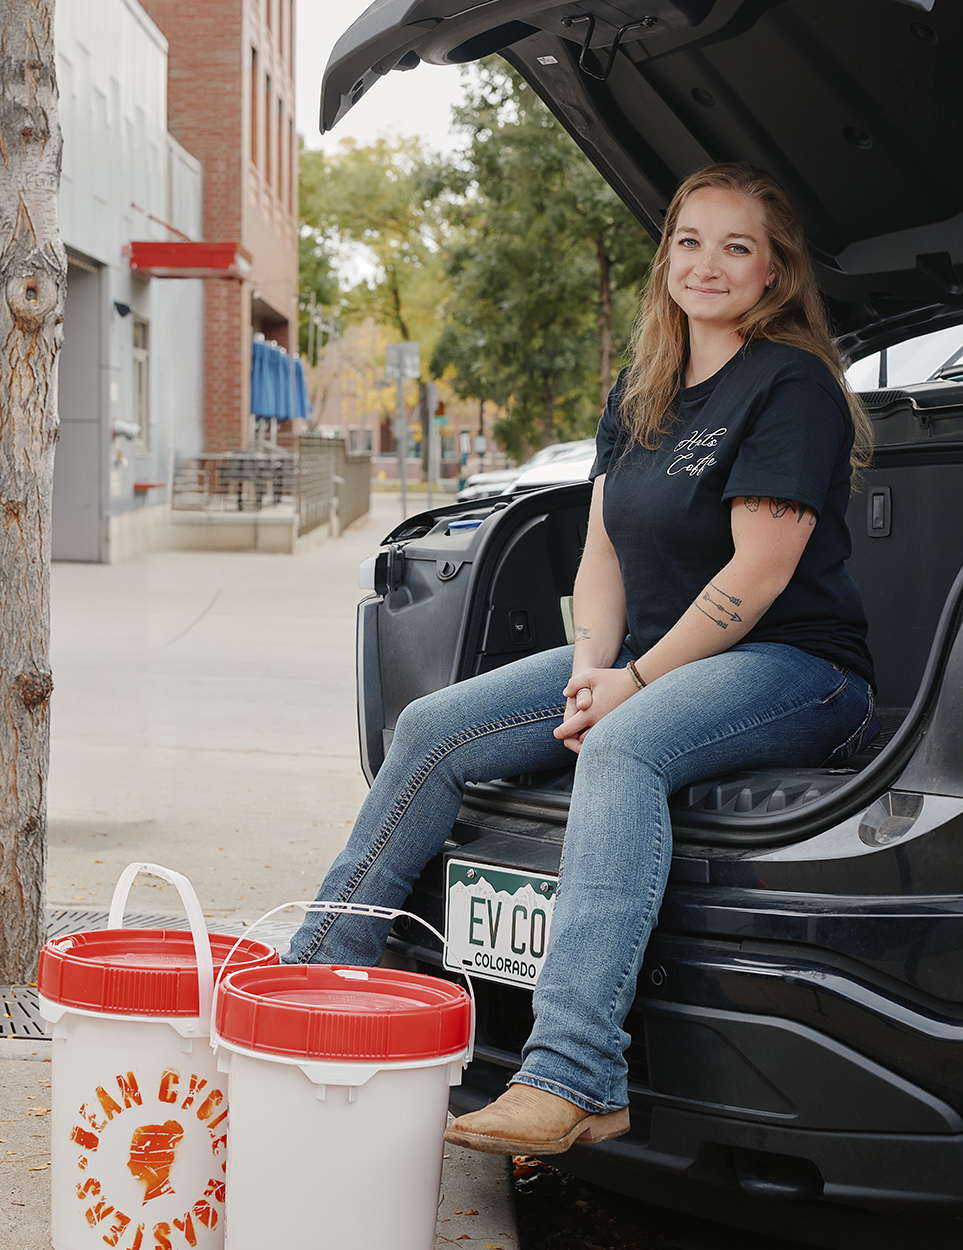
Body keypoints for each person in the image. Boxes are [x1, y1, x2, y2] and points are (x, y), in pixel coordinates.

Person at [283, 161, 878, 1157]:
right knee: (432, 727)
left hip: (793, 665)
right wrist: (593, 667)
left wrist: (630, 689)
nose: (707, 262)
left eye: (737, 246)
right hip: (654, 654)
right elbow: (600, 550)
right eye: (689, 240)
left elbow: (760, 574)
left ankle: (574, 1073)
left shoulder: (791, 385)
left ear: (773, 274)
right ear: (665, 258)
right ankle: (315, 962)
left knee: (625, 746)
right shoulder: (641, 385)